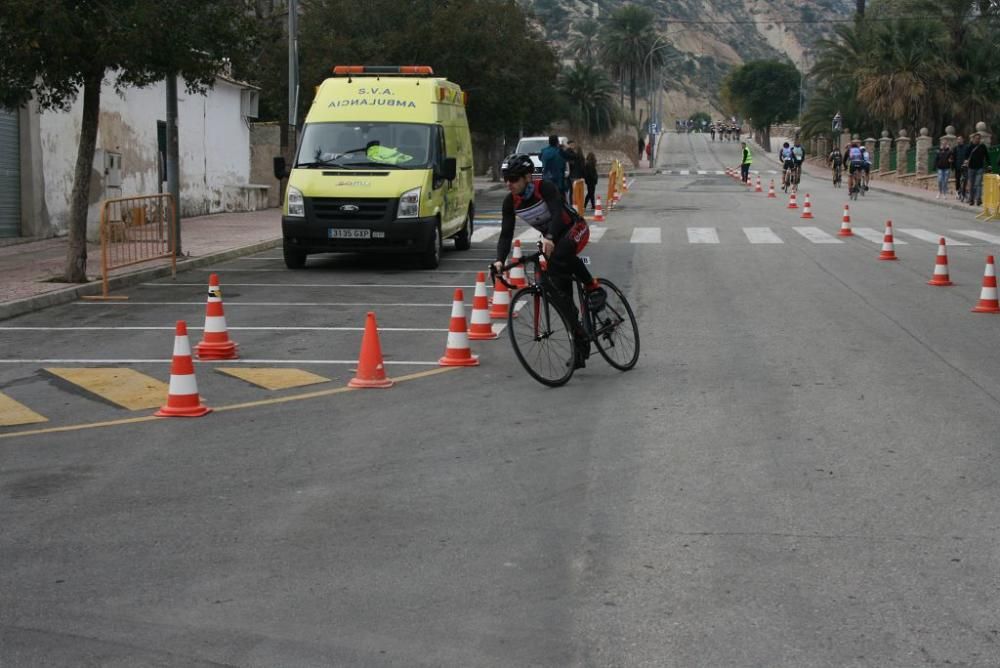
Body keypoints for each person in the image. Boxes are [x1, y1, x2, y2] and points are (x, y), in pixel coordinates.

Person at [494, 154, 605, 369]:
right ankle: (580, 342)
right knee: (559, 294)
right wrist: (499, 261)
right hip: (552, 240)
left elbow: (556, 212)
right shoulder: (510, 201)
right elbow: (506, 234)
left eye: (514, 179)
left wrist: (551, 237)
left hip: (575, 229)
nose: (509, 183)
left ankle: (593, 287)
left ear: (527, 177)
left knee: (562, 252)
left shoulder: (544, 187)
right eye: (506, 178)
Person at [965, 132, 990, 207]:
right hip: (971, 168)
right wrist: (966, 161)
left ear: (980, 139)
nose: (977, 140)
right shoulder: (970, 146)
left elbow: (987, 156)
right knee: (972, 184)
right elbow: (966, 156)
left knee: (978, 184)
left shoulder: (983, 146)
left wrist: (989, 165)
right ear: (973, 139)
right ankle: (971, 199)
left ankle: (978, 199)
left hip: (980, 168)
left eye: (979, 138)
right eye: (976, 138)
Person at [952, 135, 968, 200]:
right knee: (957, 180)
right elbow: (953, 157)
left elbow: (968, 156)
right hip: (957, 167)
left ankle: (964, 193)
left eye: (960, 139)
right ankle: (957, 192)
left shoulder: (966, 147)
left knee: (965, 180)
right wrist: (952, 166)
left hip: (964, 167)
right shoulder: (955, 148)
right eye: (958, 139)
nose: (959, 141)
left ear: (962, 140)